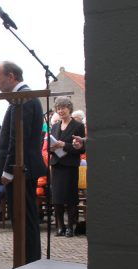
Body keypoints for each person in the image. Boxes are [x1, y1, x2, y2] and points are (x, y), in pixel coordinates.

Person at [0, 61, 47, 269]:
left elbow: (19, 138)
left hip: (21, 171)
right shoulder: (24, 98)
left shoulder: (23, 99)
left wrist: (7, 171)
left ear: (12, 76)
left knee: (25, 222)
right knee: (25, 222)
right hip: (22, 169)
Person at [49, 97, 86, 237]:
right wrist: (52, 147)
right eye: (58, 108)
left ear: (69, 108)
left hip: (70, 165)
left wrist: (64, 145)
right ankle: (60, 227)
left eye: (63, 107)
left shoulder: (78, 126)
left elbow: (81, 149)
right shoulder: (55, 126)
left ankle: (70, 226)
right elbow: (50, 147)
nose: (60, 110)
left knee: (70, 198)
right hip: (57, 165)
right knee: (57, 198)